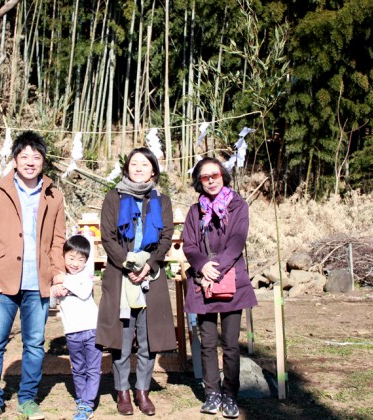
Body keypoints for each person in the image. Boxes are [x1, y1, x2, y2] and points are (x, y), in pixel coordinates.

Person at [0, 131, 66, 420]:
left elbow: (58, 240)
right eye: (24, 156)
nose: (30, 162)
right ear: (15, 159)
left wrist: (57, 275)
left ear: (43, 162)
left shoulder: (54, 194)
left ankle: (27, 399)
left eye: (36, 157)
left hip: (37, 283)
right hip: (2, 282)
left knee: (35, 344)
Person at [96, 147, 177, 416]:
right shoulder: (113, 197)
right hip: (121, 275)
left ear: (153, 170)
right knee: (122, 336)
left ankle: (142, 391)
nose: (139, 168)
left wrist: (149, 265)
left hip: (150, 277)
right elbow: (107, 236)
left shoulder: (162, 201)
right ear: (127, 168)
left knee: (148, 337)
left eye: (144, 164)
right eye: (134, 164)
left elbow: (166, 237)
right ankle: (122, 391)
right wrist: (129, 264)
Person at [182, 157, 257, 419]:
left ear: (223, 176)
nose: (211, 180)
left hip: (231, 280)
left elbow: (237, 242)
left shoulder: (238, 206)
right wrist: (203, 265)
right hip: (203, 281)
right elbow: (188, 245)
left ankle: (230, 394)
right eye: (205, 177)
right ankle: (211, 392)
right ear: (199, 182)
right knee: (207, 342)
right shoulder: (195, 212)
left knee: (231, 344)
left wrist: (217, 269)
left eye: (215, 175)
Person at [50, 235, 102, 420]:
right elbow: (51, 301)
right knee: (78, 368)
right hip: (71, 332)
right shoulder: (58, 279)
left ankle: (87, 404)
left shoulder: (86, 275)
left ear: (86, 261)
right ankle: (81, 399)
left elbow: (84, 291)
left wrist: (65, 281)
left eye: (81, 260)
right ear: (63, 257)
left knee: (93, 368)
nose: (75, 263)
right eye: (71, 258)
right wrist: (56, 289)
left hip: (91, 329)